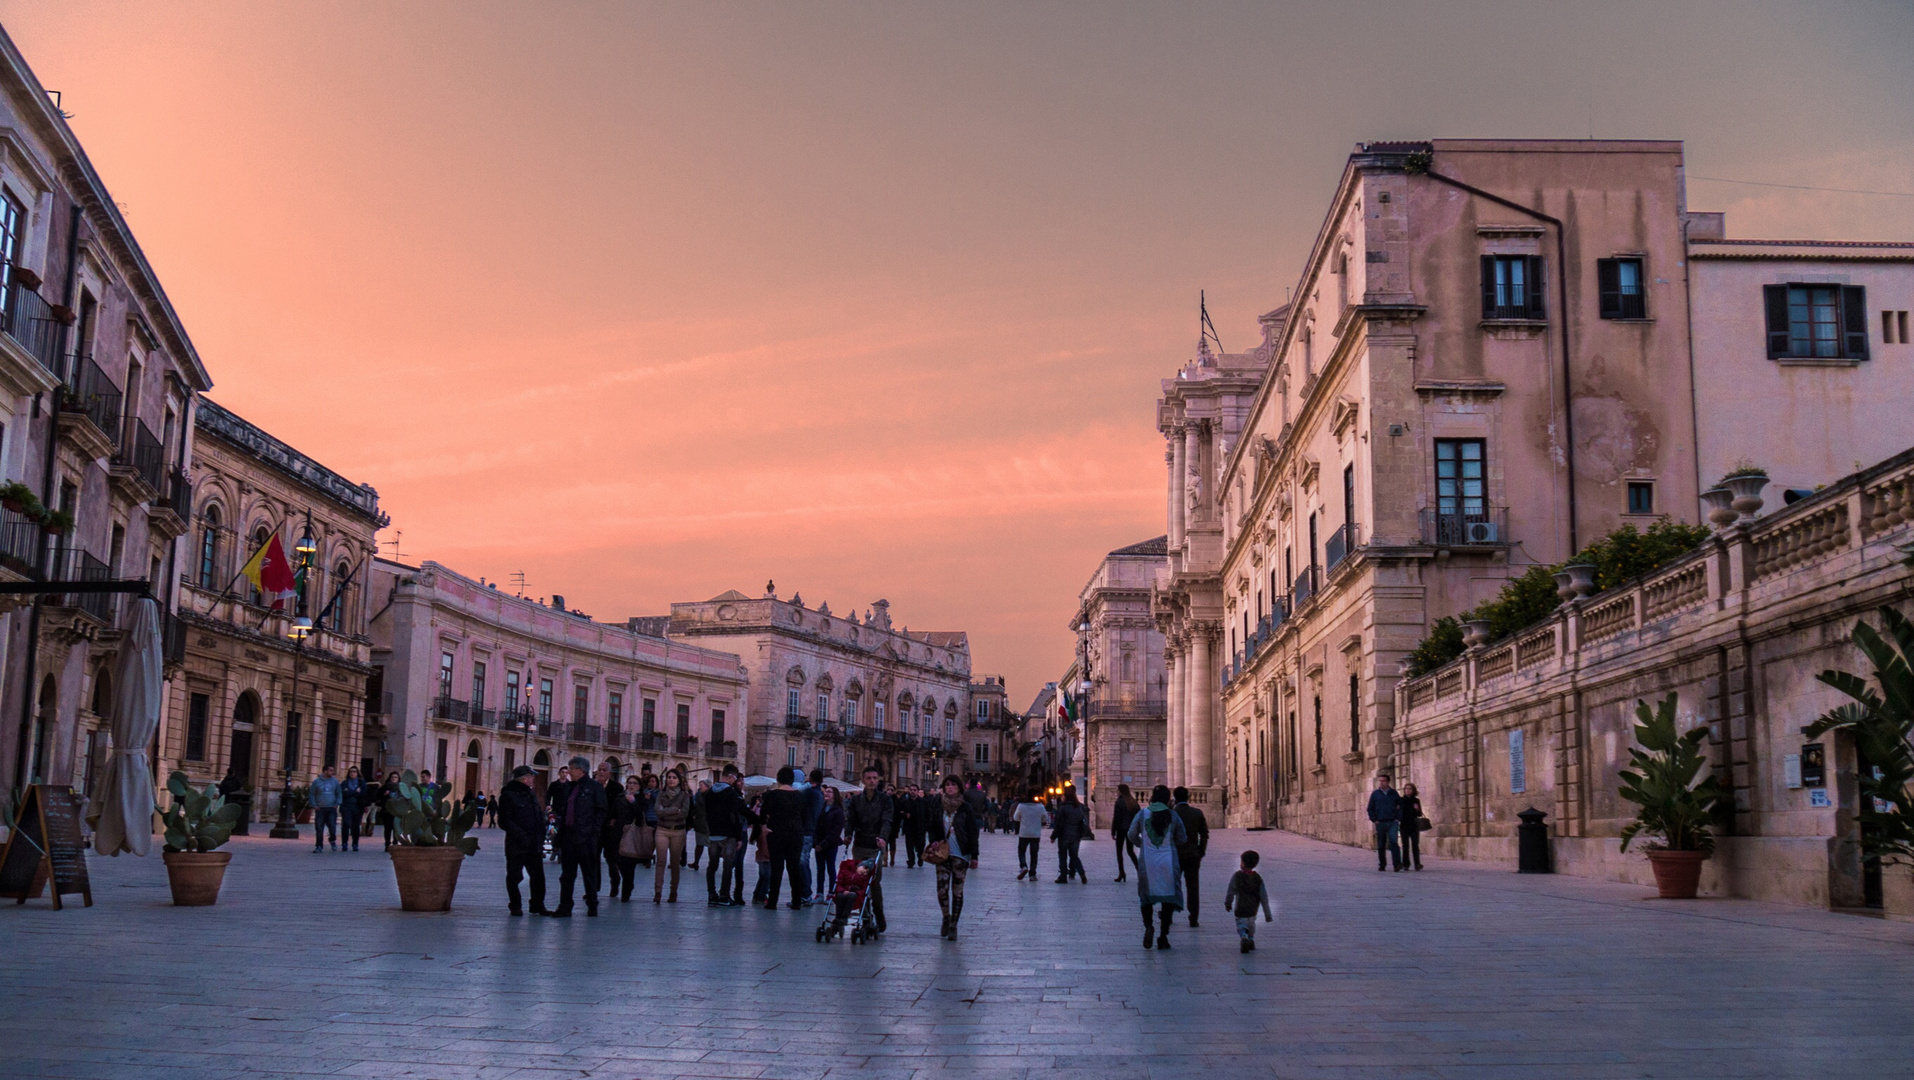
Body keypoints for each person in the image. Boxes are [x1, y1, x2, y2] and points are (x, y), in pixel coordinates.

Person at [1129, 785, 1188, 949]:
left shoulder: (1143, 814)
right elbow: (1182, 838)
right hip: (1168, 861)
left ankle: (1148, 926)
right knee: (1168, 898)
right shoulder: (1173, 816)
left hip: (1148, 861)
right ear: (1168, 799)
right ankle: (1163, 936)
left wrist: (1142, 844)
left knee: (1145, 897)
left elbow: (1131, 834)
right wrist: (1170, 844)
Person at [926, 775, 981, 940]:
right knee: (942, 890)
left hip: (961, 854)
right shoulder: (937, 805)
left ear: (959, 788)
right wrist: (933, 841)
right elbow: (932, 825)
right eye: (947, 784)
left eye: (953, 785)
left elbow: (973, 832)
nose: (950, 787)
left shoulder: (966, 808)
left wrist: (974, 855)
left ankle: (953, 925)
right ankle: (945, 917)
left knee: (957, 891)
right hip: (942, 854)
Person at [553, 756, 608, 917]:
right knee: (567, 875)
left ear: (580, 770)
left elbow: (601, 810)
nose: (568, 772)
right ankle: (565, 906)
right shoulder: (569, 787)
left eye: (571, 769)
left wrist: (594, 832)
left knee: (589, 873)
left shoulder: (594, 787)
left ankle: (592, 904)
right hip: (569, 837)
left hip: (586, 838)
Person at [842, 765, 894, 934]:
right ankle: (865, 917)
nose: (872, 781)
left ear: (878, 780)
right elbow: (850, 820)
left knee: (874, 883)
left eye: (874, 778)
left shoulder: (885, 800)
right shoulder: (856, 800)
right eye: (869, 778)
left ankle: (879, 917)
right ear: (863, 781)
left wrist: (883, 837)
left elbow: (887, 820)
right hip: (859, 845)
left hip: (876, 847)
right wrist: (848, 835)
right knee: (859, 882)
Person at [499, 765, 550, 916]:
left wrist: (541, 835)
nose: (533, 780)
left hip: (534, 845)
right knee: (514, 876)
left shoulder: (530, 794)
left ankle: (537, 905)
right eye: (531, 777)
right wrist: (520, 835)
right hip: (516, 845)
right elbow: (504, 821)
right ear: (525, 778)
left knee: (538, 877)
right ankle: (515, 905)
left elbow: (537, 816)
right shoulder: (508, 795)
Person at [758, 767, 808, 909]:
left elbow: (762, 814)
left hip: (776, 832)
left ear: (778, 779)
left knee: (777, 868)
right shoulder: (800, 796)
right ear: (792, 780)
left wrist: (763, 827)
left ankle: (772, 901)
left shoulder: (772, 795)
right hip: (795, 833)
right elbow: (805, 816)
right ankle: (797, 901)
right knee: (794, 868)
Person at [704, 765, 748, 905]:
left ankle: (711, 894)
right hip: (728, 835)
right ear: (730, 776)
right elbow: (734, 815)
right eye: (735, 778)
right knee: (727, 866)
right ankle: (724, 895)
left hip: (713, 834)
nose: (735, 781)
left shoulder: (710, 792)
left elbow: (706, 812)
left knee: (712, 865)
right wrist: (739, 837)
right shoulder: (730, 793)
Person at [1222, 850, 1275, 953]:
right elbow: (1264, 897)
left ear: (1243, 864)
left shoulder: (1237, 876)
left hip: (1240, 907)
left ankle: (1243, 937)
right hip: (1253, 908)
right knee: (1251, 925)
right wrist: (1268, 915)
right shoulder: (1258, 879)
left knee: (1241, 924)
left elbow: (1231, 890)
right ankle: (1250, 939)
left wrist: (1228, 903)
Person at [1172, 787, 1210, 925]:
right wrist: (1201, 850)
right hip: (1193, 855)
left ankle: (1169, 914)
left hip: (1175, 855)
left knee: (1173, 884)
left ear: (1174, 797)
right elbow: (1204, 834)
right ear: (1188, 797)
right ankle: (1194, 917)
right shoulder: (1196, 813)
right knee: (1193, 887)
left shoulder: (1172, 814)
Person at [652, 767, 691, 903]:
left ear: (678, 780)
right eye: (669, 777)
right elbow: (657, 811)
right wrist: (675, 810)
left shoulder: (684, 795)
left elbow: (684, 813)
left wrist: (666, 812)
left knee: (675, 863)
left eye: (674, 778)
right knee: (661, 861)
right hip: (662, 829)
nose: (671, 780)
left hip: (678, 831)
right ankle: (658, 892)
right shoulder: (661, 794)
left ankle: (673, 891)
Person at [603, 770, 639, 902]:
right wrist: (611, 821)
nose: (631, 785)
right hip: (617, 832)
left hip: (633, 834)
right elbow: (612, 813)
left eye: (634, 783)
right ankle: (616, 881)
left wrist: (634, 802)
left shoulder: (641, 799)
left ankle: (626, 890)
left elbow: (641, 817)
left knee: (628, 864)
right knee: (613, 859)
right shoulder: (619, 797)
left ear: (639, 786)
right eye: (629, 783)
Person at [1050, 786, 1091, 883]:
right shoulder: (1079, 808)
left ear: (1065, 797)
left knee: (1062, 855)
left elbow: (1059, 824)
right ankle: (1082, 873)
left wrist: (1053, 836)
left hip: (1064, 836)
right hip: (1076, 836)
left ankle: (1063, 876)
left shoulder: (1063, 808)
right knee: (1074, 856)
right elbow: (1082, 822)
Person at [797, 768, 824, 905]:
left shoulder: (809, 793)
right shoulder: (820, 794)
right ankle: (805, 893)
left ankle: (805, 894)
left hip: (804, 830)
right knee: (804, 861)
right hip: (810, 830)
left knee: (802, 862)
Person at [814, 784, 844, 902]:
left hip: (830, 844)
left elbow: (836, 831)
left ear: (834, 795)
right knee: (820, 869)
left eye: (829, 792)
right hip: (819, 844)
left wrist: (823, 844)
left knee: (831, 868)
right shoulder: (820, 808)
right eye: (825, 791)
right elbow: (815, 826)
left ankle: (831, 893)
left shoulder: (838, 811)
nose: (826, 793)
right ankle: (819, 893)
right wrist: (816, 843)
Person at [1367, 773, 1403, 872]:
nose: (1381, 783)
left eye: (1383, 781)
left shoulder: (1394, 793)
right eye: (1380, 781)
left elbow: (1400, 807)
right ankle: (1382, 864)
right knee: (1381, 844)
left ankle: (1397, 864)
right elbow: (1370, 808)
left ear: (1388, 782)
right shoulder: (1375, 794)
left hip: (1392, 822)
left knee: (1393, 842)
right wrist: (1374, 819)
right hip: (1380, 822)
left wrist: (1397, 818)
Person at [1012, 795, 1048, 880]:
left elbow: (1016, 818)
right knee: (1034, 854)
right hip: (1035, 833)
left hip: (1024, 833)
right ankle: (1032, 874)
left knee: (1021, 851)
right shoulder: (1040, 806)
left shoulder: (1021, 806)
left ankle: (1023, 866)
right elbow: (1045, 818)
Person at [309, 765, 342, 852]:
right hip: (320, 808)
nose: (332, 772)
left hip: (331, 808)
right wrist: (314, 805)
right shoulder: (316, 782)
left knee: (332, 826)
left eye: (333, 770)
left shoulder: (335, 782)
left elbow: (339, 793)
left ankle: (332, 839)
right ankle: (319, 845)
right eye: (331, 770)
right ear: (325, 771)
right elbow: (312, 793)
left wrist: (337, 803)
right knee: (319, 828)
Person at [1111, 783, 1139, 883]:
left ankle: (1121, 872)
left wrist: (1113, 831)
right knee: (1130, 851)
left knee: (1119, 852)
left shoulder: (1119, 802)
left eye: (1118, 790)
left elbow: (1116, 818)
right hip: (1130, 829)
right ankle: (1140, 870)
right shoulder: (1133, 802)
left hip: (1121, 829)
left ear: (1121, 791)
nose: (1116, 792)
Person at [1397, 782, 1425, 872]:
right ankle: (1406, 864)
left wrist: (1417, 809)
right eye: (1406, 789)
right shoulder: (1401, 800)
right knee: (1405, 845)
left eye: (1410, 789)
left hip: (1414, 825)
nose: (1408, 790)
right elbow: (1398, 811)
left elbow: (1419, 814)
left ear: (1413, 790)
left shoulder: (1416, 801)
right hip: (1404, 825)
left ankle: (1417, 864)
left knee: (1415, 845)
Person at [901, 783, 927, 869]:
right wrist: (905, 815)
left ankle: (920, 857)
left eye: (914, 790)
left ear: (917, 791)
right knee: (909, 846)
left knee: (921, 845)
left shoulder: (923, 802)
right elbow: (900, 813)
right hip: (909, 828)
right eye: (911, 790)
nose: (912, 792)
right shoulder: (905, 802)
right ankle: (911, 861)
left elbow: (928, 814)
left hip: (920, 827)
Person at [339, 767, 365, 852]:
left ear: (357, 773)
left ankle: (355, 843)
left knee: (355, 826)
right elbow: (343, 794)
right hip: (346, 806)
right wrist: (355, 792)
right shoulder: (345, 783)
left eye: (354, 771)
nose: (352, 773)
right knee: (346, 824)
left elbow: (363, 793)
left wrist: (351, 793)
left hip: (357, 807)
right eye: (350, 772)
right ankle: (344, 843)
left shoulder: (361, 783)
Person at [688, 778, 710, 870]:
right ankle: (696, 862)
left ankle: (711, 863)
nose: (699, 787)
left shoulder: (710, 796)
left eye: (701, 785)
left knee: (710, 846)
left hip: (707, 824)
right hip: (700, 823)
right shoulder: (699, 795)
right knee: (699, 845)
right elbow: (695, 807)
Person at [378, 771, 402, 849]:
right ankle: (387, 843)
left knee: (396, 827)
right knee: (388, 828)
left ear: (398, 779)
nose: (394, 779)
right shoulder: (385, 787)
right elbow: (378, 796)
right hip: (387, 811)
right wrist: (384, 795)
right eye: (392, 777)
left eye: (395, 777)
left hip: (397, 811)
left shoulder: (401, 787)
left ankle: (395, 842)